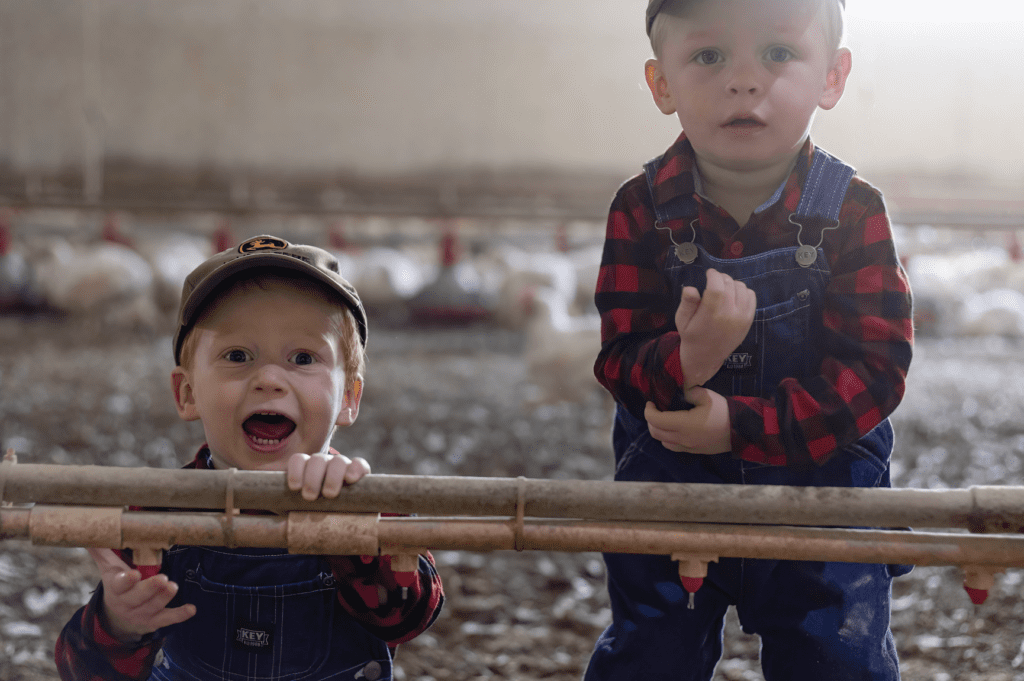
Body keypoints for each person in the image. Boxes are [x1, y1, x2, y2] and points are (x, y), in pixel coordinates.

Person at [585, 1, 913, 679]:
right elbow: (618, 358)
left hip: (822, 499)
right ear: (662, 84)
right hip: (673, 490)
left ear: (832, 75)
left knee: (837, 655)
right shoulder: (640, 209)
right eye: (709, 57)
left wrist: (740, 424)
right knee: (650, 658)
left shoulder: (854, 210)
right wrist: (685, 361)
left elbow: (875, 372)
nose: (743, 81)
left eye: (777, 54)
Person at [56, 235, 444, 681]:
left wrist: (352, 536)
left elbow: (409, 617)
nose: (270, 378)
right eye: (237, 355)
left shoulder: (369, 505)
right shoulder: (155, 517)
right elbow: (80, 669)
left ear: (349, 398)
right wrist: (118, 623)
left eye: (303, 357)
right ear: (187, 393)